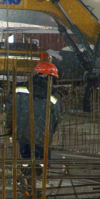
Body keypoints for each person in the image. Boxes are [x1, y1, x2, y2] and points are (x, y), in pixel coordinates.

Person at [11, 61, 62, 192]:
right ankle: (33, 185)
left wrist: (11, 129)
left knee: (26, 157)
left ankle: (27, 179)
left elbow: (10, 110)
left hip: (22, 131)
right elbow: (56, 118)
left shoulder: (20, 89)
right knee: (41, 160)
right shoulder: (53, 96)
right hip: (42, 135)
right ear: (51, 78)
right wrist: (50, 132)